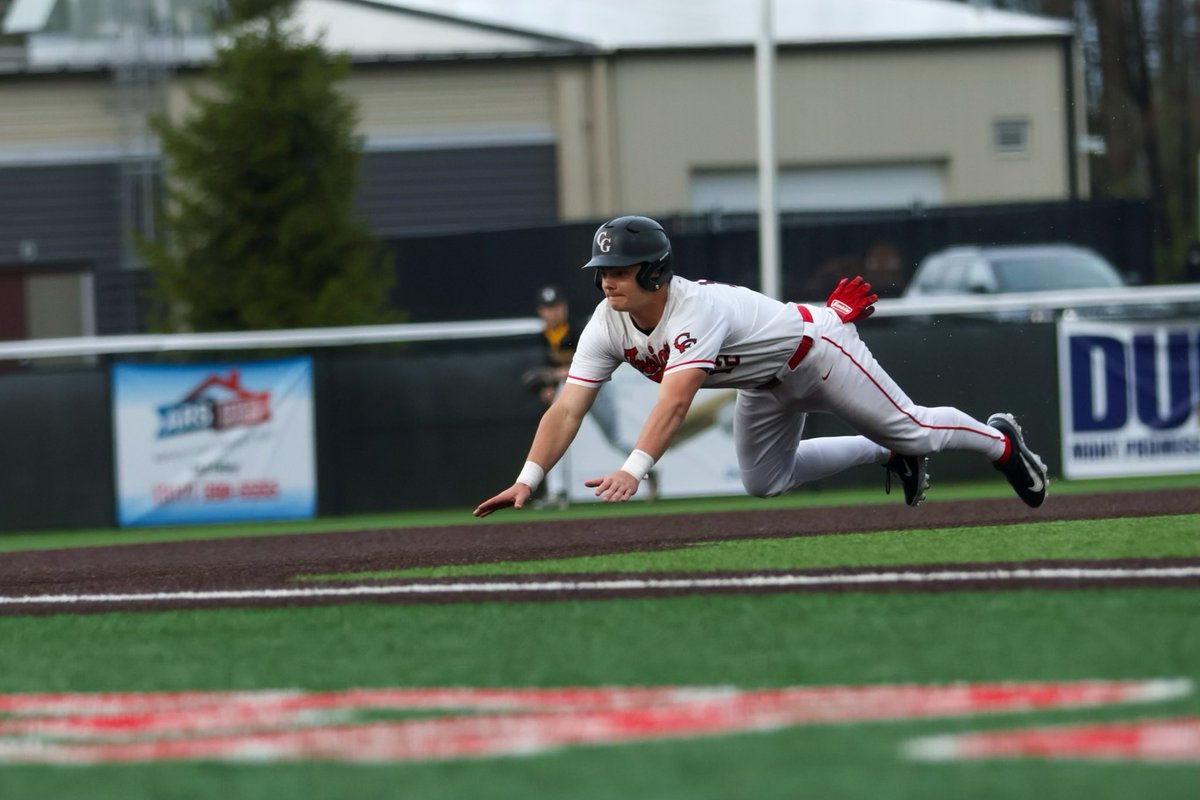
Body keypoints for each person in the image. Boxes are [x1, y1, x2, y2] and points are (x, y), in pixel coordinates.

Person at [474, 215, 1048, 517]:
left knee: (916, 428)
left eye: (619, 270)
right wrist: (529, 479)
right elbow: (569, 408)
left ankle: (1001, 443)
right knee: (763, 481)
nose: (605, 280)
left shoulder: (691, 307)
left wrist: (634, 467)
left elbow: (675, 401)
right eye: (602, 270)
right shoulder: (606, 320)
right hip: (762, 382)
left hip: (817, 353)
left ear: (654, 271)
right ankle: (888, 454)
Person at [522, 284, 657, 503]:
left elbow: (586, 364)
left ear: (564, 307)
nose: (553, 312)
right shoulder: (545, 335)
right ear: (541, 312)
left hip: (597, 386)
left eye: (556, 306)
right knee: (556, 436)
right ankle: (557, 492)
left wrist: (554, 375)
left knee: (615, 438)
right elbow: (544, 367)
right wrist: (546, 387)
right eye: (548, 308)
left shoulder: (579, 327)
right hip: (568, 387)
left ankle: (644, 466)